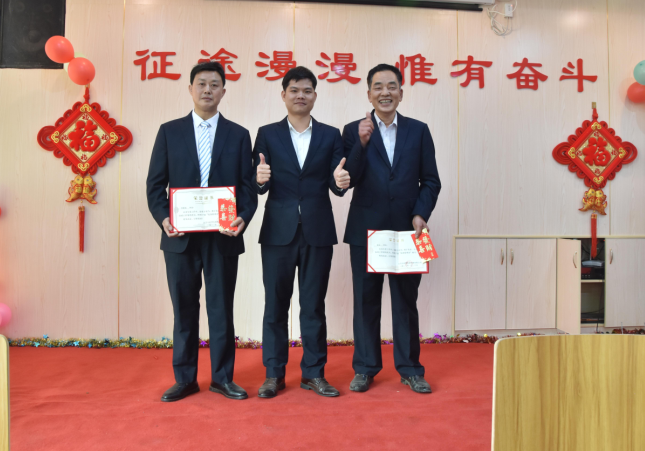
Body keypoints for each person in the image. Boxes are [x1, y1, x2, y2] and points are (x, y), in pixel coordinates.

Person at [146, 61, 257, 402]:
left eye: (214, 84)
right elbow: (155, 185)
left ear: (223, 90)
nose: (208, 89)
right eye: (201, 84)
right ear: (190, 89)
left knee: (221, 308)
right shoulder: (169, 131)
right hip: (180, 237)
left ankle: (222, 378)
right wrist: (163, 218)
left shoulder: (239, 134)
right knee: (184, 309)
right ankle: (185, 379)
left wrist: (243, 217)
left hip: (223, 235)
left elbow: (248, 187)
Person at [341, 64, 441, 394]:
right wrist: (361, 143)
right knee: (365, 302)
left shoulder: (419, 130)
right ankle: (365, 368)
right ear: (369, 94)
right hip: (366, 232)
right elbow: (348, 179)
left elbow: (431, 181)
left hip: (406, 232)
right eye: (378, 86)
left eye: (392, 86)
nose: (385, 92)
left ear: (401, 92)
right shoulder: (353, 130)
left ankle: (410, 369)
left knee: (405, 303)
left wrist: (420, 214)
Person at [252, 66, 348, 398]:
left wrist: (340, 183)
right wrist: (258, 179)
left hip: (317, 231)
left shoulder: (331, 135)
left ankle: (314, 374)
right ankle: (273, 375)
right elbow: (256, 178)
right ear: (283, 95)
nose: (300, 96)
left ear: (315, 96)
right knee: (275, 306)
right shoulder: (267, 133)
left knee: (313, 306)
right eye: (294, 90)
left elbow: (337, 182)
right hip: (277, 232)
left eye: (307, 90)